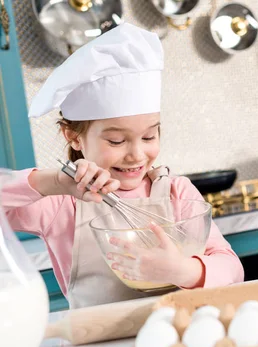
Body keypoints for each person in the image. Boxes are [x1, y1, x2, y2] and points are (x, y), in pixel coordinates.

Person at [3, 23, 244, 308]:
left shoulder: (176, 192)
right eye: (117, 141)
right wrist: (54, 183)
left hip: (178, 339)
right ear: (74, 137)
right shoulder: (60, 202)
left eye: (149, 136)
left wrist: (182, 271)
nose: (137, 154)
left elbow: (231, 269)